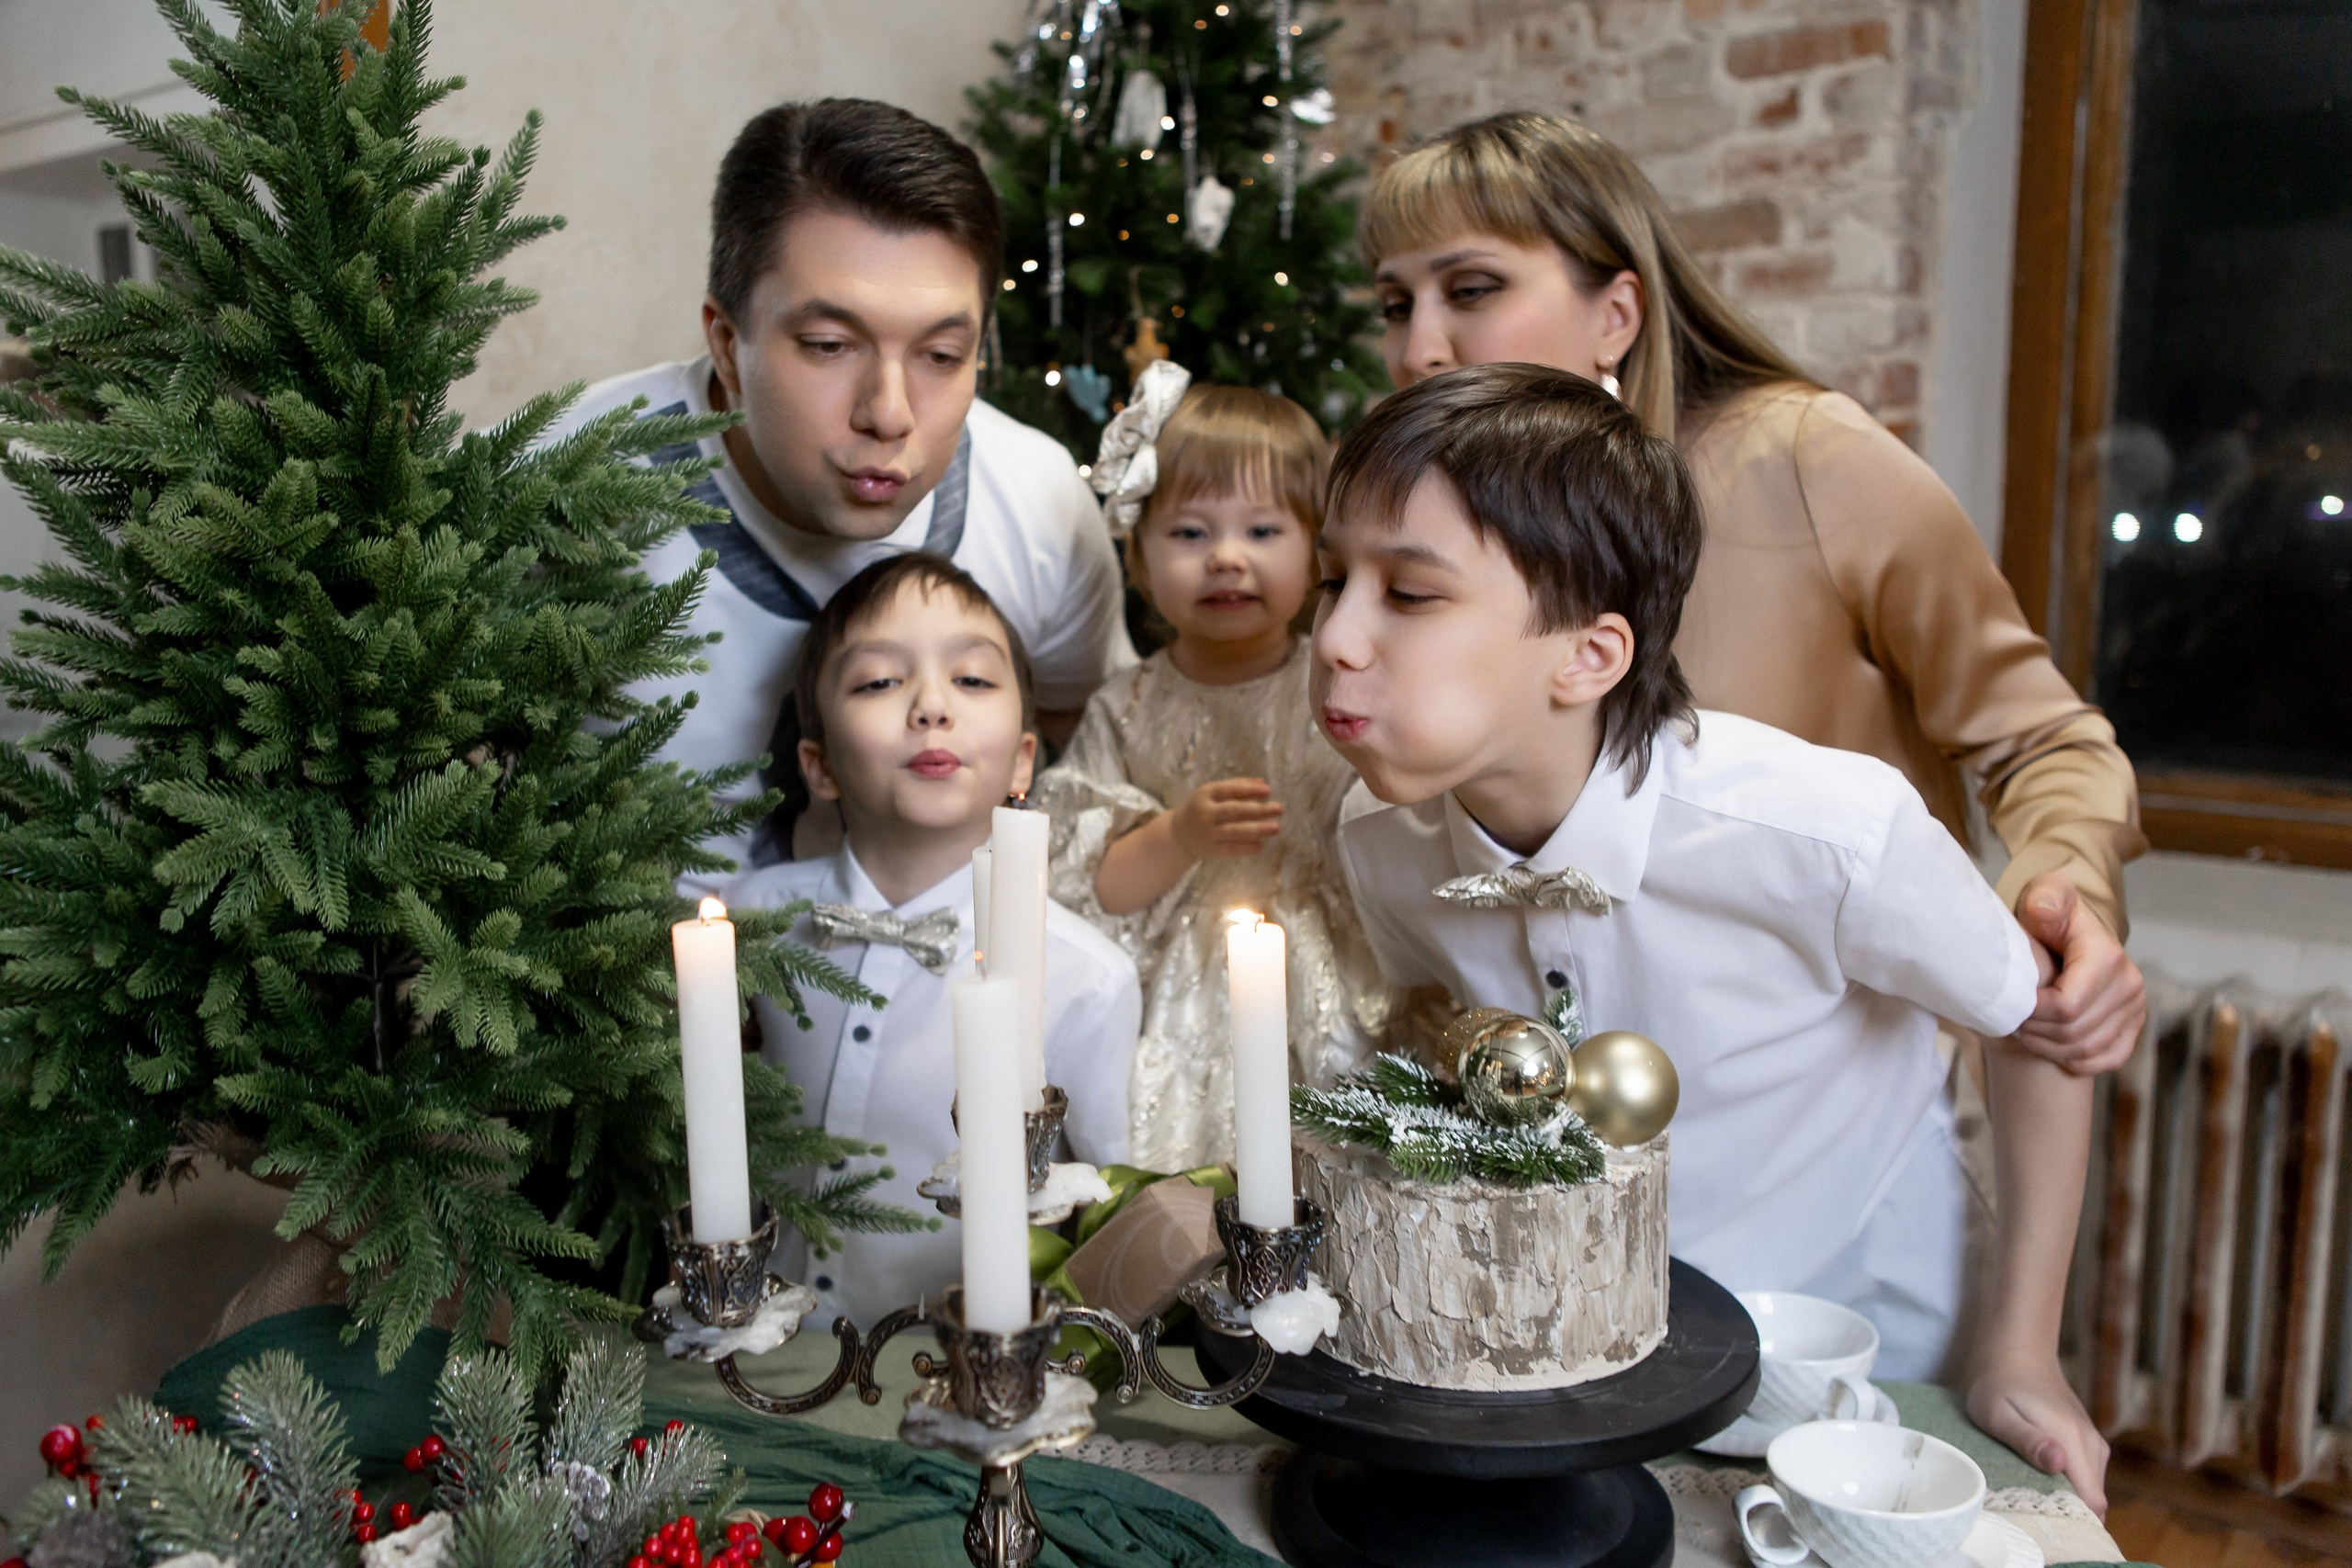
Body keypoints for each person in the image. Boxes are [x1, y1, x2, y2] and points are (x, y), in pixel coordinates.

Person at [1317, 365, 2108, 1510]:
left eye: (1410, 594)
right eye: (1336, 579)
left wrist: (2023, 1351)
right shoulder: (1378, 836)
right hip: (1585, 1369)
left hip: (1856, 1356)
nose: (1336, 637)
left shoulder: (1825, 830)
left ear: (1588, 654)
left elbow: (2031, 1023)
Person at [1357, 112, 2146, 1083]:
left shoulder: (1810, 460)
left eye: (1470, 289)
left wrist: (2061, 908)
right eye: (1395, 304)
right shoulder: (1429, 538)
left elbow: (2046, 742)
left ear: (1615, 312)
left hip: (1848, 1120)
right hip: (1574, 1129)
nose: (1417, 347)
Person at [548, 98, 1132, 884]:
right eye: (829, 346)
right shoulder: (562, 488)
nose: (888, 413)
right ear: (727, 341)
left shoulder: (1039, 500)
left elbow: (1090, 735)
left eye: (940, 354)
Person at [726, 553, 1137, 1328]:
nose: (930, 706)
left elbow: (1104, 1219)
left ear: (1023, 758)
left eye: (973, 680)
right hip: (763, 1354)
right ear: (819, 766)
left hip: (956, 1369)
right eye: (879, 681)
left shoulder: (1087, 979)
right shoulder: (743, 930)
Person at [1034, 365, 1387, 1169]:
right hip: (1175, 999)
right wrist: (1178, 832)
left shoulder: (1342, 683)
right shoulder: (1125, 707)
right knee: (1177, 1184)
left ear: (1317, 551)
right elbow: (1086, 889)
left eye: (1263, 532)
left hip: (1329, 979)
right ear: (1139, 558)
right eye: (1191, 533)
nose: (1227, 557)